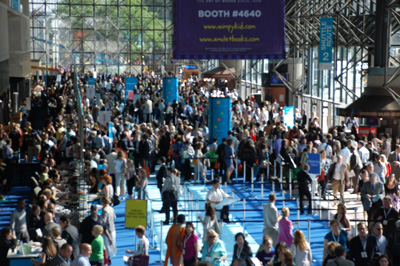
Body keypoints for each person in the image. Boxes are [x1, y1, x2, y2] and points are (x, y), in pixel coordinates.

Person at [100, 196, 117, 263]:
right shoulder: (111, 208)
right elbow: (114, 217)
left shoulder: (104, 210)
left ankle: (107, 258)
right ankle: (109, 257)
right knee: (111, 244)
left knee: (106, 244)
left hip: (107, 229)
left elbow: (103, 221)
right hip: (113, 228)